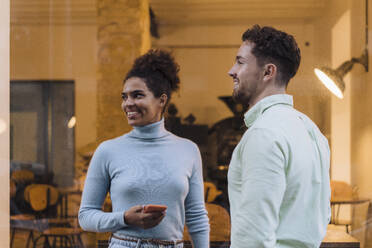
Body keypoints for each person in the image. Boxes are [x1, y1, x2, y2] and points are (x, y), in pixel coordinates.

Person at [79, 49, 210, 248]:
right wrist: (124, 218)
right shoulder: (107, 150)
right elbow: (86, 216)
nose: (128, 104)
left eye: (137, 95)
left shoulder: (188, 150)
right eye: (125, 97)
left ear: (162, 100)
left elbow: (197, 217)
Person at [227, 25, 331, 248]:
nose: (231, 70)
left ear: (268, 72)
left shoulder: (263, 134)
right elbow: (323, 216)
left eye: (240, 62)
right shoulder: (312, 131)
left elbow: (253, 235)